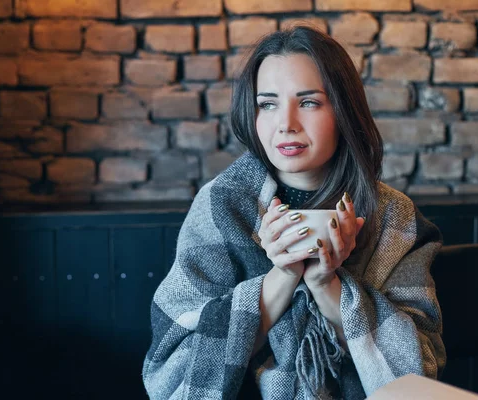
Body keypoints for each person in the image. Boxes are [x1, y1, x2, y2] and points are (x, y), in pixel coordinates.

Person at [142, 26, 446, 400]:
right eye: (267, 104)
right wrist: (282, 277)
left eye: (308, 102)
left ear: (343, 110)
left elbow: (419, 378)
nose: (285, 123)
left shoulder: (393, 218)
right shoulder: (221, 207)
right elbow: (172, 378)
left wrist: (327, 285)